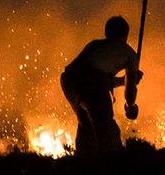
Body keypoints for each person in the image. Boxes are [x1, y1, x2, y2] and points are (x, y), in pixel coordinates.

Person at [60, 16, 140, 155]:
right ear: (126, 35)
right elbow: (129, 90)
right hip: (91, 87)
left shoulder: (95, 45)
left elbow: (95, 78)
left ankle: (83, 163)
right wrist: (131, 105)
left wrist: (122, 81)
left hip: (69, 83)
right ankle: (110, 165)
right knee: (107, 131)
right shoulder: (129, 54)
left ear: (106, 32)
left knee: (86, 125)